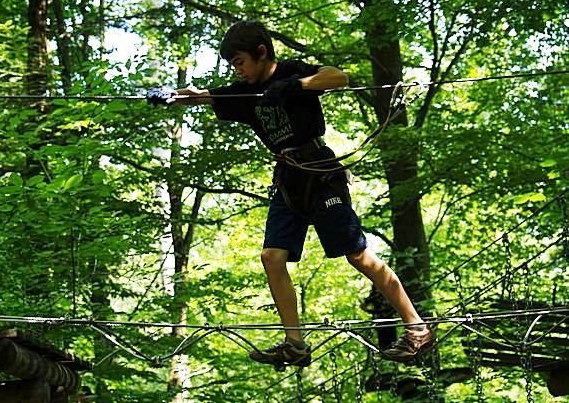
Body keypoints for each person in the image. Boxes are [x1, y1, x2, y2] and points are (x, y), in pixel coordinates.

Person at [147, 20, 434, 367]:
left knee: (357, 254)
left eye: (240, 62)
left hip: (320, 172)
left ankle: (417, 327)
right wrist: (171, 97)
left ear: (261, 53)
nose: (237, 70)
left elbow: (338, 77)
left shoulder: (290, 71)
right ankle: (295, 344)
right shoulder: (246, 92)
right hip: (288, 179)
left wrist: (295, 85)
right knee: (272, 257)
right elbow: (203, 96)